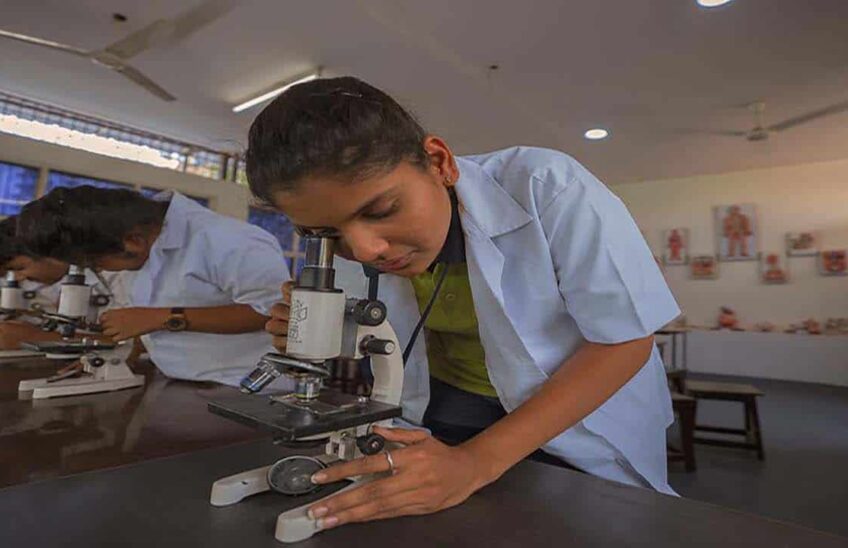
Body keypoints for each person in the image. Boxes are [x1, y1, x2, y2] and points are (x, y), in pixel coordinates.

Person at [244, 76, 682, 529]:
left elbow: (625, 342)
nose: (365, 250)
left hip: (572, 420)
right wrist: (325, 330)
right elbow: (386, 331)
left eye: (380, 211)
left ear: (439, 162)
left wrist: (476, 462)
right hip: (444, 408)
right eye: (326, 233)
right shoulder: (356, 245)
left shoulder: (546, 186)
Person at [16, 186, 290, 386]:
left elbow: (275, 314)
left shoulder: (227, 240)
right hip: (177, 384)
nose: (98, 270)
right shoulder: (143, 243)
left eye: (95, 263)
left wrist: (160, 318)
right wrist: (126, 351)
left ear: (132, 241)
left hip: (245, 388)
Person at [0, 216, 127, 349]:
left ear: (50, 253)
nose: (19, 278)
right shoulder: (67, 280)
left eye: (20, 268)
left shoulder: (117, 274)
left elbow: (135, 344)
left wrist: (38, 337)